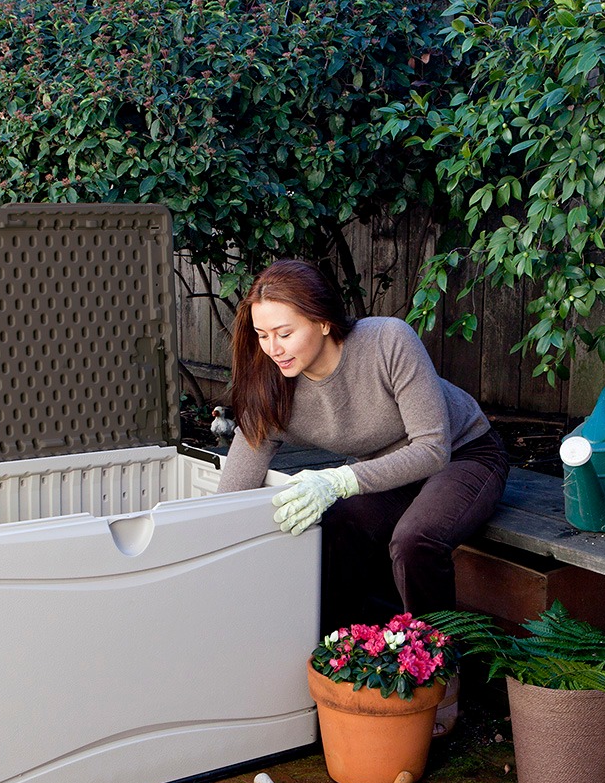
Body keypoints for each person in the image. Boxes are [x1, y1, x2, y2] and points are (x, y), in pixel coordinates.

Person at [216, 258, 510, 652]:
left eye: (284, 333)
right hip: (384, 467)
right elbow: (233, 491)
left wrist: (339, 480)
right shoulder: (271, 387)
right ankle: (343, 657)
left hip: (464, 453)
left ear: (322, 321)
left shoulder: (388, 341)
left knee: (414, 540)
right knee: (336, 528)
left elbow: (431, 449)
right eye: (261, 334)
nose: (272, 349)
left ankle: (439, 677)